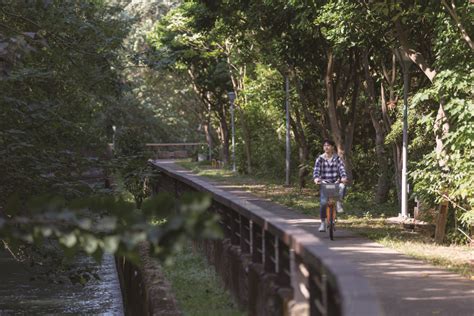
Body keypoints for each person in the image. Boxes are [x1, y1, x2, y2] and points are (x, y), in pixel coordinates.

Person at [313, 140, 348, 232]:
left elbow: (341, 169)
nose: (326, 147)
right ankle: (323, 223)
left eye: (328, 145)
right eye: (324, 145)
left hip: (335, 182)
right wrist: (316, 179)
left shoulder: (337, 158)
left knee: (343, 186)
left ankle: (338, 202)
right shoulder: (320, 159)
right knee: (323, 203)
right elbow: (316, 171)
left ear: (333, 147)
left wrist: (343, 177)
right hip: (324, 183)